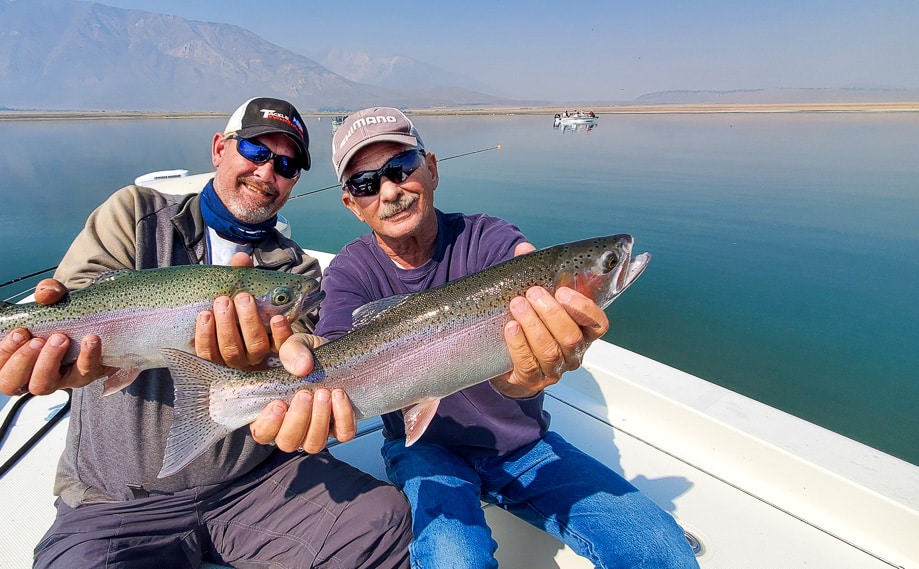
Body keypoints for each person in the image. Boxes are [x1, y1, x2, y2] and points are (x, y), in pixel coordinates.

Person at [0, 97, 411, 569]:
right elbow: (79, 298)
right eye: (256, 150)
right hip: (117, 500)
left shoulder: (296, 272)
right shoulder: (134, 215)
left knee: (385, 524)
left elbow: (306, 349)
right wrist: (62, 361)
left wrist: (284, 357)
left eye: (287, 164)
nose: (268, 172)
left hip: (257, 484)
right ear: (218, 148)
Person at [279, 107, 698, 568]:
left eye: (401, 167)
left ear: (432, 168)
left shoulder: (490, 237)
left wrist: (530, 376)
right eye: (366, 183)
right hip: (424, 451)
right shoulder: (351, 271)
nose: (390, 190)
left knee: (662, 551)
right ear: (351, 204)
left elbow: (524, 262)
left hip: (523, 447)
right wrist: (295, 374)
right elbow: (334, 348)